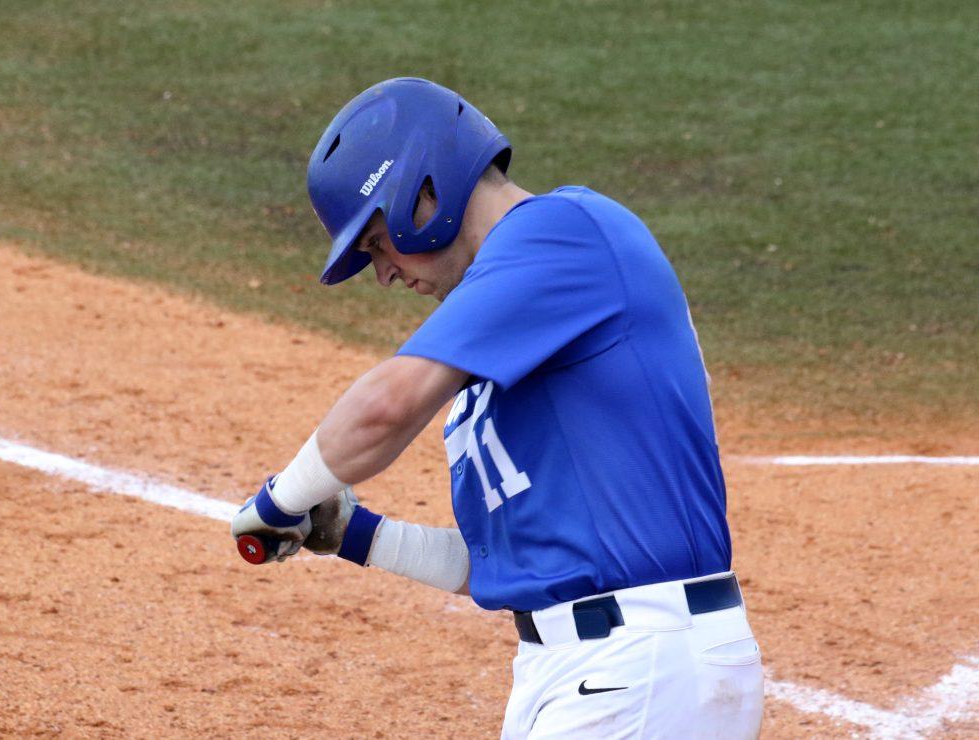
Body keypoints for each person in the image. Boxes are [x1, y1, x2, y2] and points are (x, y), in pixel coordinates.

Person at [230, 77, 764, 738]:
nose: (385, 274)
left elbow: (385, 408)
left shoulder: (564, 233)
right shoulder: (506, 350)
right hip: (598, 671)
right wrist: (354, 535)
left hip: (636, 669)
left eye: (375, 244)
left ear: (423, 193)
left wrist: (280, 500)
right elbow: (519, 564)